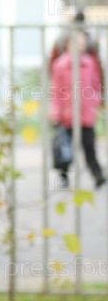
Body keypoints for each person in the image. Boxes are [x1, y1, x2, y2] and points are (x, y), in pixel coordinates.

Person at [51, 31, 106, 189]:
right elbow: (56, 90)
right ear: (68, 44)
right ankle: (63, 177)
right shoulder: (60, 65)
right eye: (77, 43)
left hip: (86, 113)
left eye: (83, 44)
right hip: (67, 114)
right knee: (65, 148)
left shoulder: (89, 63)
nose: (81, 47)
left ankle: (97, 175)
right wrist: (56, 112)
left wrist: (95, 101)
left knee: (89, 147)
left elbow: (96, 84)